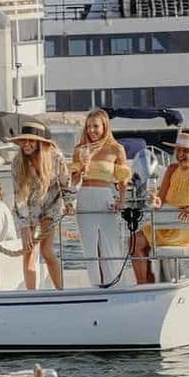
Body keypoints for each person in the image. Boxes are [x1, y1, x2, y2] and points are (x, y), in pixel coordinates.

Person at [132, 132, 189, 284]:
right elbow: (160, 199)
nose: (180, 154)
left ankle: (147, 284)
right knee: (133, 241)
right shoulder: (171, 170)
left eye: (185, 151)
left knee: (139, 242)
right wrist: (154, 200)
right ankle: (145, 284)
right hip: (167, 227)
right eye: (178, 150)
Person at [10, 121, 76, 290]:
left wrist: (69, 203)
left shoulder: (55, 157)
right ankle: (31, 294)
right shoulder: (17, 162)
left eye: (31, 140)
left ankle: (61, 291)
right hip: (29, 206)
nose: (26, 144)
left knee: (46, 251)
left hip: (51, 204)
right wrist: (24, 226)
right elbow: (19, 197)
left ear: (40, 142)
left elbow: (65, 183)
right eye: (24, 140)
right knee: (28, 251)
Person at [71, 109, 132, 287]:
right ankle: (96, 285)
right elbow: (73, 181)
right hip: (84, 199)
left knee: (109, 243)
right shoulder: (80, 149)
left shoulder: (116, 149)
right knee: (89, 245)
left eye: (96, 126)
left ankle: (114, 284)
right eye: (89, 126)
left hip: (105, 197)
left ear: (104, 126)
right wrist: (81, 169)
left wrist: (121, 201)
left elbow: (123, 180)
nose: (92, 130)